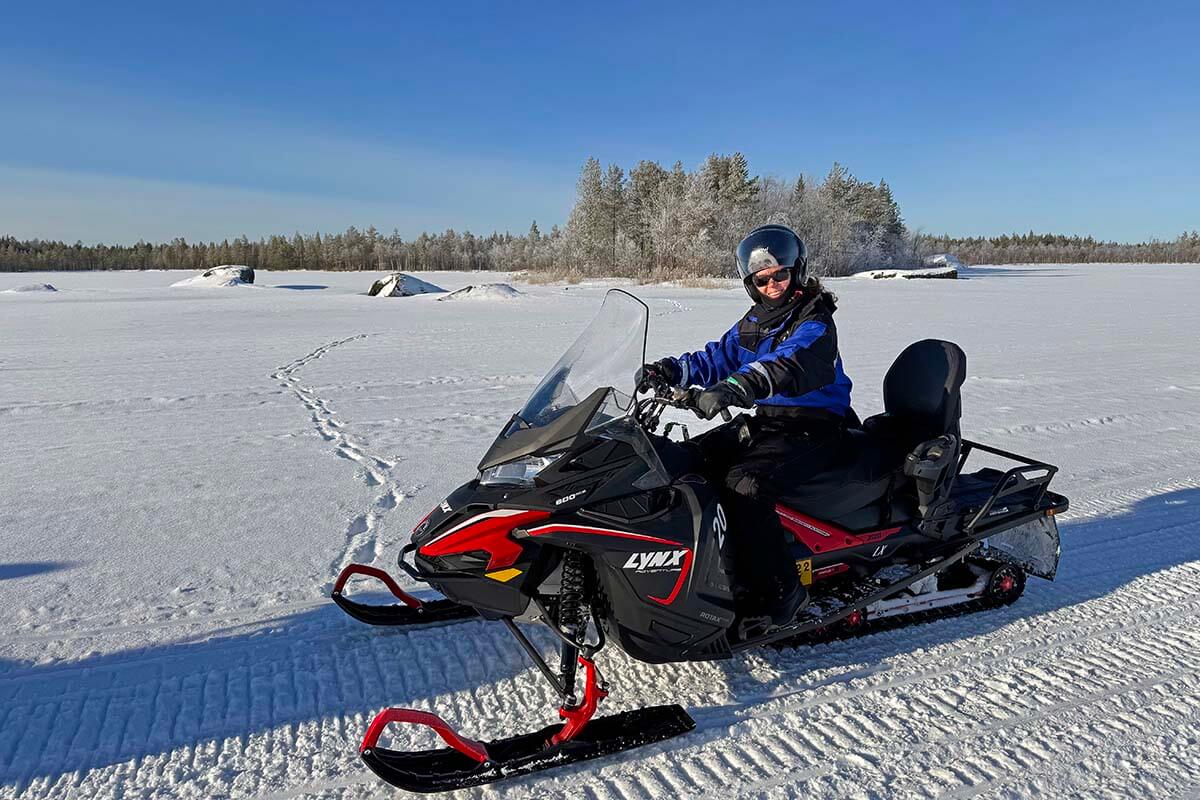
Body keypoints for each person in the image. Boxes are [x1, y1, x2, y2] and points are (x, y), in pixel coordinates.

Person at [635, 224, 856, 627]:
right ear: (751, 283)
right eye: (762, 279)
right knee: (688, 459)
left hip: (816, 428)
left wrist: (735, 388)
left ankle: (781, 593)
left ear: (797, 272)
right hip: (769, 422)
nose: (772, 284)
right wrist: (671, 370)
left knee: (745, 484)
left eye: (780, 275)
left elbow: (787, 364)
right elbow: (717, 356)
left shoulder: (814, 322)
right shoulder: (757, 321)